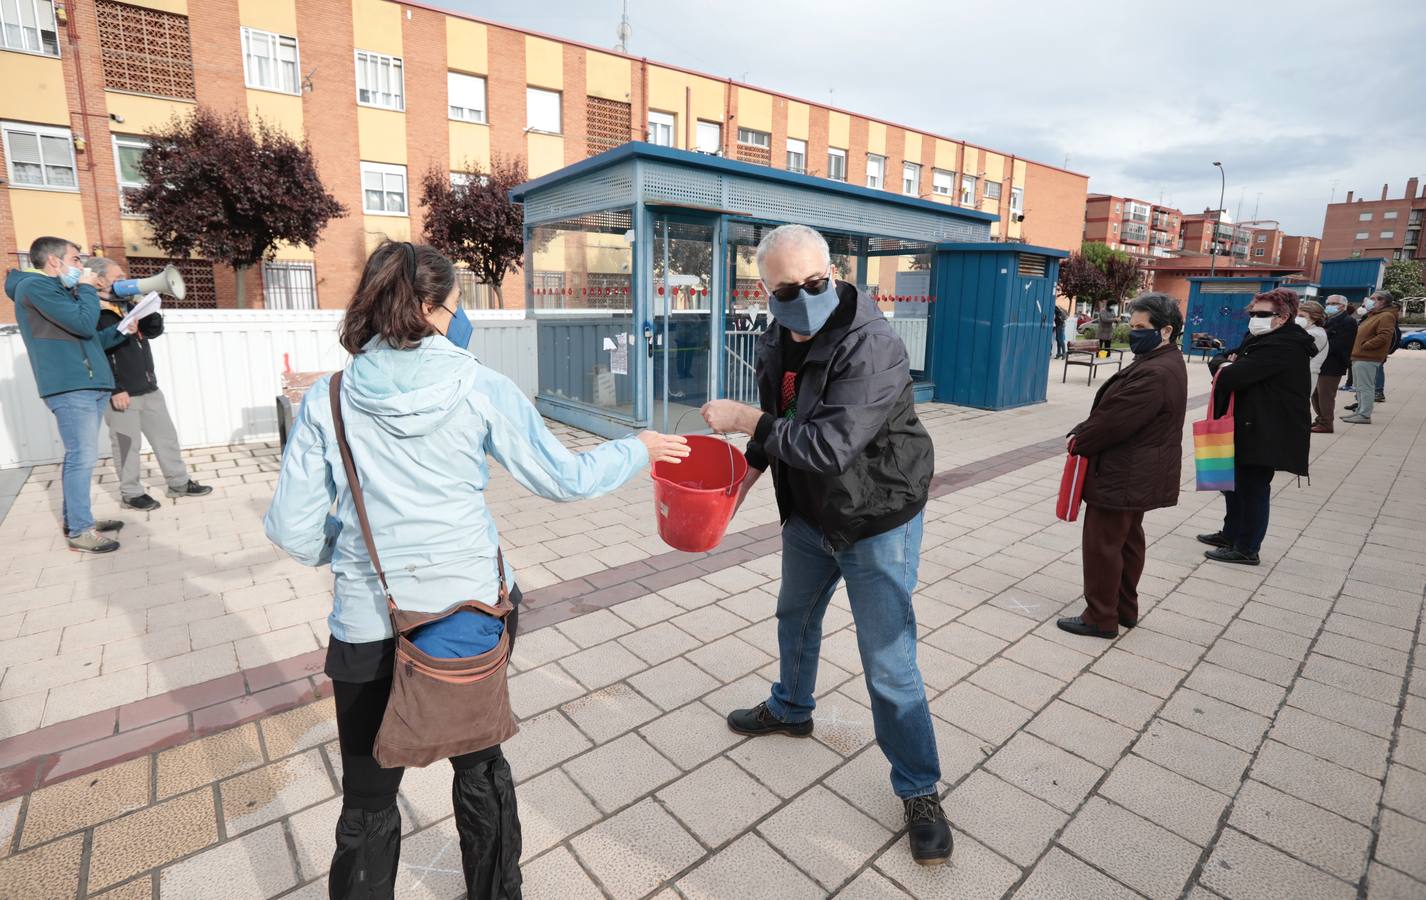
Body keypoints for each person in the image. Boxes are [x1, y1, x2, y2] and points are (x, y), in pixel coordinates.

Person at [264, 241, 688, 900]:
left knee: (368, 799)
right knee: (480, 766)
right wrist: (637, 449)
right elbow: (563, 479)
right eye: (458, 305)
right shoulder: (482, 386)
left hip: (367, 626)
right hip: (470, 613)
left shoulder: (328, 399)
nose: (463, 319)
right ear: (431, 309)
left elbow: (290, 528)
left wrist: (345, 557)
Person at [698, 224, 951, 866]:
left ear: (832, 271)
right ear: (767, 291)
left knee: (889, 662)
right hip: (810, 515)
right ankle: (791, 708)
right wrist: (741, 478)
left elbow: (828, 445)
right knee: (795, 615)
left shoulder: (874, 345)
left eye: (815, 282)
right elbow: (776, 428)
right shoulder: (777, 338)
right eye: (788, 289)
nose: (805, 295)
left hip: (876, 517)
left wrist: (744, 421)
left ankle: (920, 789)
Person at [1058, 293, 1188, 638]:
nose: (1134, 333)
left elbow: (1115, 422)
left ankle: (1100, 617)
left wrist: (1080, 440)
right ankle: (1123, 609)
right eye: (1132, 327)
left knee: (1103, 545)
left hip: (1124, 473)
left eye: (1141, 327)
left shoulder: (1156, 371)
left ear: (1166, 331)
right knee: (1128, 541)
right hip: (1137, 472)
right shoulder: (1162, 360)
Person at [5, 237, 135, 552]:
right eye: (76, 259)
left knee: (79, 455)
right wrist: (89, 289)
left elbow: (88, 338)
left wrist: (120, 329)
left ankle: (76, 519)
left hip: (89, 383)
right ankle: (80, 530)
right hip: (71, 387)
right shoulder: (35, 288)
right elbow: (83, 322)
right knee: (82, 456)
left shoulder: (58, 292)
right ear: (54, 261)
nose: (82, 266)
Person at [1199, 288, 1314, 565]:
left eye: (1263, 314)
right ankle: (1230, 534)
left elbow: (1234, 375)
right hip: (1246, 423)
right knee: (1231, 483)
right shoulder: (1261, 338)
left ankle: (1247, 547)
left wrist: (1226, 365)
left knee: (1252, 487)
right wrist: (1225, 363)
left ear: (1283, 317)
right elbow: (1225, 359)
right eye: (1252, 314)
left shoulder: (1285, 345)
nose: (1255, 319)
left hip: (1266, 429)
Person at [88, 258, 213, 510]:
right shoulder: (93, 310)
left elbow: (153, 331)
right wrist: (115, 388)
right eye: (118, 276)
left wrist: (147, 307)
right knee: (126, 444)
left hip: (149, 387)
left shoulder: (124, 305)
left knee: (166, 438)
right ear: (99, 280)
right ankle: (131, 493)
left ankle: (178, 482)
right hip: (122, 392)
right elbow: (95, 353)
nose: (125, 279)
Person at [1341, 290, 1401, 426]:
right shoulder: (1374, 315)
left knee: (1366, 387)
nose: (1368, 300)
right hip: (1360, 356)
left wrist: (1365, 345)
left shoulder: (1386, 316)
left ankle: (1364, 414)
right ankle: (1360, 411)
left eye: (1373, 298)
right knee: (1360, 387)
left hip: (1368, 356)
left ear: (1382, 301)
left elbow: (1384, 336)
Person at [1312, 294, 1356, 433]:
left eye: (1333, 303)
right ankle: (1320, 419)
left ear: (1342, 306)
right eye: (1328, 302)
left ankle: (1326, 423)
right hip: (1321, 363)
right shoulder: (1328, 319)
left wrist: (1318, 345)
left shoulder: (1348, 321)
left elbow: (1339, 345)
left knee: (1326, 395)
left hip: (1333, 364)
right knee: (1316, 394)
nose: (1329, 305)